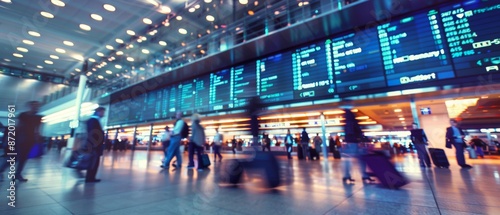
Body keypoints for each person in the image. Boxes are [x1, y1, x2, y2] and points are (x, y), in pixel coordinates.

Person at [0, 101, 43, 181]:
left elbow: (37, 129)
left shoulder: (38, 117)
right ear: (30, 106)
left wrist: (37, 139)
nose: (36, 107)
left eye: (37, 106)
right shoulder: (23, 115)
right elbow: (18, 126)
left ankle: (18, 174)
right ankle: (1, 170)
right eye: (34, 105)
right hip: (20, 139)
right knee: (14, 158)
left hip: (30, 140)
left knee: (23, 158)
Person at [340, 100, 373, 183]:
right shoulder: (349, 114)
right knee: (360, 158)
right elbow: (353, 126)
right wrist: (360, 136)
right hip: (353, 141)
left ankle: (347, 176)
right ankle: (363, 176)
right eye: (350, 103)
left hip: (351, 140)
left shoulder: (347, 114)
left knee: (349, 159)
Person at [85, 107, 106, 183]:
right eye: (103, 112)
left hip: (95, 145)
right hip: (94, 146)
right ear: (98, 112)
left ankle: (91, 177)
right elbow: (93, 133)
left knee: (94, 162)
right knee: (93, 162)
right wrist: (95, 145)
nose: (103, 114)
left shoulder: (95, 120)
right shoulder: (93, 120)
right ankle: (90, 177)